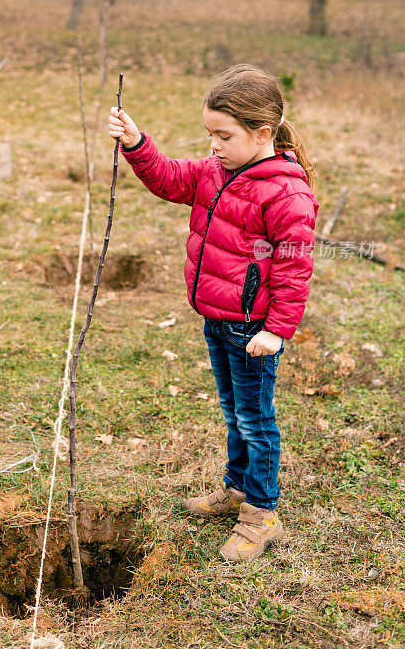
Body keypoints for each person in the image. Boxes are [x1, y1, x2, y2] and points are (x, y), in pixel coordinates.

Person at [108, 64, 319, 562]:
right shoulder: (214, 172)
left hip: (252, 330)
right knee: (234, 412)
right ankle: (237, 489)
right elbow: (167, 179)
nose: (214, 146)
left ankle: (262, 512)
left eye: (224, 136)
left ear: (262, 133)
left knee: (256, 420)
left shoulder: (286, 193)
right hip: (217, 319)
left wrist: (276, 330)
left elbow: (293, 267)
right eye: (210, 135)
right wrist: (137, 143)